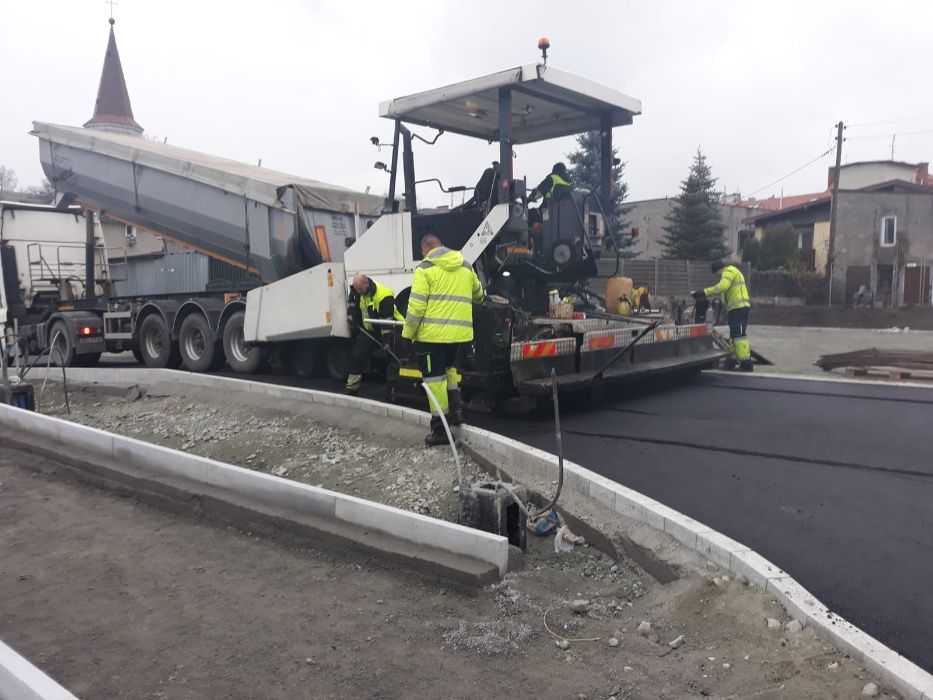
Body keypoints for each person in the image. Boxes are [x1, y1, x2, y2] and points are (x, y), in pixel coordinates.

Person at [402, 234, 484, 446]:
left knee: (434, 382)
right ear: (442, 246)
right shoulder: (465, 266)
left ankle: (440, 430)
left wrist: (407, 334)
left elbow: (417, 307)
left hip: (431, 338)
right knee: (449, 372)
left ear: (425, 250)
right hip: (458, 336)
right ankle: (457, 412)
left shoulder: (425, 269)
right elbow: (479, 294)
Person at [345, 273, 404, 395]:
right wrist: (351, 315)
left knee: (396, 358)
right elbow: (352, 302)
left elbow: (387, 322)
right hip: (370, 331)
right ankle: (352, 388)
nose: (359, 293)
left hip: (392, 329)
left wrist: (386, 341)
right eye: (357, 290)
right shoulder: (358, 290)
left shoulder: (384, 295)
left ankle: (398, 390)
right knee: (358, 355)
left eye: (361, 289)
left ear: (366, 283)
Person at [693, 260, 752, 372]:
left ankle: (746, 363)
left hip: (738, 308)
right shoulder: (733, 272)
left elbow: (722, 287)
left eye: (716, 274)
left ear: (718, 270)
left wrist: (704, 292)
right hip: (738, 308)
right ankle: (732, 360)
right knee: (735, 335)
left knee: (739, 336)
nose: (717, 276)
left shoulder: (728, 272)